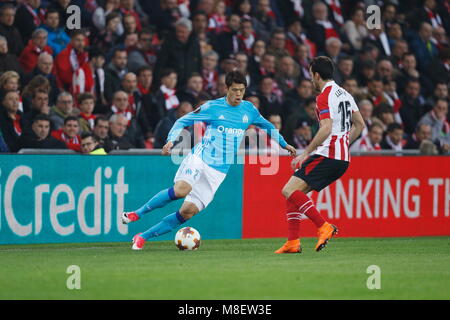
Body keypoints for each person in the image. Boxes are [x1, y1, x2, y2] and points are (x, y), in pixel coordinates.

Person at [121, 70, 296, 250]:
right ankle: (137, 213)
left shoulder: (249, 110)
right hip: (200, 158)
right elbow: (182, 121)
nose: (238, 94)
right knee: (181, 190)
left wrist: (284, 144)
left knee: (187, 212)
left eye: (242, 90)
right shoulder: (212, 107)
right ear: (226, 88)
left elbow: (267, 126)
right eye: (235, 90)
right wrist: (171, 140)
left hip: (218, 171)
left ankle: (142, 237)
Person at [275, 56, 365, 254]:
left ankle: (323, 226)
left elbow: (326, 128)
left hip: (328, 154)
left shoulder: (324, 95)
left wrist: (305, 153)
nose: (311, 80)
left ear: (316, 75)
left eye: (310, 75)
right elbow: (360, 125)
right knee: (294, 195)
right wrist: (344, 144)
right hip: (341, 158)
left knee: (288, 190)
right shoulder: (346, 94)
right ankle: (293, 242)